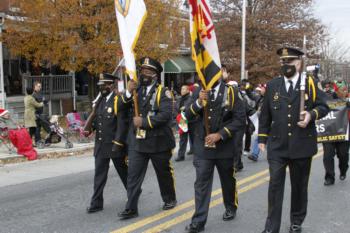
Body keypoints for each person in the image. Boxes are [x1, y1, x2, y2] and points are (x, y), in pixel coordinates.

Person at [259, 47, 329, 233]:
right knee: (274, 186)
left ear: (298, 63)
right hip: (278, 145)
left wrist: (311, 115)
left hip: (302, 145)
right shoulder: (273, 85)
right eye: (282, 62)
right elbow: (265, 113)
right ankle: (271, 227)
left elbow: (324, 106)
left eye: (289, 62)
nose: (285, 65)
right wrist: (262, 138)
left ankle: (296, 220)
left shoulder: (310, 83)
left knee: (299, 187)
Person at [117, 57, 177, 219]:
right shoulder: (136, 90)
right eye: (143, 71)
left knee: (163, 173)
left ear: (155, 75)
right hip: (138, 142)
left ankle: (169, 198)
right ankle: (131, 207)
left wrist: (143, 122)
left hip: (158, 142)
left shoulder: (163, 92)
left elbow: (165, 116)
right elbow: (120, 107)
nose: (144, 74)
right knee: (133, 175)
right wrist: (128, 91)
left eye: (148, 72)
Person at [184, 79, 246, 233]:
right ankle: (198, 221)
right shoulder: (199, 91)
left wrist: (221, 134)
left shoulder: (231, 92)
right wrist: (199, 102)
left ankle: (231, 206)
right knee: (201, 184)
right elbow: (186, 114)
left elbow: (239, 120)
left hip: (224, 146)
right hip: (203, 147)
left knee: (227, 180)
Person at [85, 73, 128, 214]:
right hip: (101, 144)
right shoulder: (100, 101)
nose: (102, 87)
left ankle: (133, 193)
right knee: (99, 175)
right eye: (101, 85)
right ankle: (96, 202)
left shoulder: (118, 100)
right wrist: (90, 128)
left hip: (114, 144)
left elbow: (121, 124)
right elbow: (99, 121)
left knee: (124, 173)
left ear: (111, 85)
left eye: (104, 85)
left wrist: (118, 142)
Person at [322, 81, 349, 185]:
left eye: (345, 89)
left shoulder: (348, 99)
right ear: (337, 90)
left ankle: (343, 170)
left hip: (344, 131)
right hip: (329, 132)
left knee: (343, 154)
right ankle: (329, 177)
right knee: (328, 156)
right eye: (342, 90)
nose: (344, 92)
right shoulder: (327, 98)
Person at [248, 84, 266, 161]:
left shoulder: (272, 98)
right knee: (259, 137)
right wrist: (247, 88)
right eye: (261, 89)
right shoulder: (259, 98)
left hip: (271, 122)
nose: (261, 90)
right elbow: (251, 96)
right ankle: (255, 154)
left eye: (263, 89)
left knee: (272, 139)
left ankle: (275, 154)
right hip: (262, 121)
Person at [175, 85, 193, 161]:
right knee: (183, 138)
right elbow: (176, 109)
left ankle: (195, 151)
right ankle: (181, 155)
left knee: (193, 137)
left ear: (188, 90)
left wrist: (185, 109)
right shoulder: (179, 99)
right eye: (181, 89)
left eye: (184, 89)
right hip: (182, 120)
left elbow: (190, 108)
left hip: (191, 120)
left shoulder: (191, 98)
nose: (182, 90)